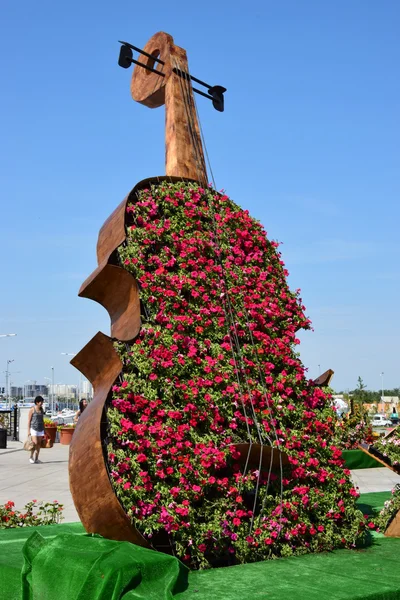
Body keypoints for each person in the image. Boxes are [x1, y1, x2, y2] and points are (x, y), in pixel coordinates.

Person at [27, 396, 45, 464]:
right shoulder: (32, 409)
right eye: (41, 402)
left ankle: (36, 458)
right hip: (33, 428)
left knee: (39, 444)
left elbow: (42, 420)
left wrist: (44, 430)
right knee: (35, 443)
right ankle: (31, 456)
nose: (42, 403)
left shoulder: (41, 410)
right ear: (37, 402)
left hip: (40, 429)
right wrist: (28, 431)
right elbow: (29, 420)